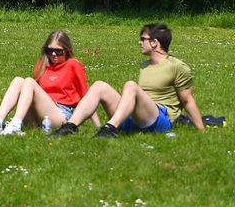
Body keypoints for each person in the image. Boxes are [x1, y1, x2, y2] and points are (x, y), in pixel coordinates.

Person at [51, 22, 206, 138]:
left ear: (155, 42)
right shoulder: (145, 65)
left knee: (131, 85)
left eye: (143, 38)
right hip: (139, 117)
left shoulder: (177, 66)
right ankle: (70, 126)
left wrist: (201, 130)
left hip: (161, 120)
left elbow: (187, 101)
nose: (139, 42)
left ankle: (110, 128)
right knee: (99, 86)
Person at [0, 30, 94, 136]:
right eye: (50, 50)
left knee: (29, 81)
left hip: (60, 114)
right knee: (18, 80)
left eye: (58, 51)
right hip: (38, 117)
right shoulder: (42, 65)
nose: (53, 54)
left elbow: (87, 97)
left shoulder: (73, 65)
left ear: (67, 50)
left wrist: (97, 127)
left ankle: (15, 125)